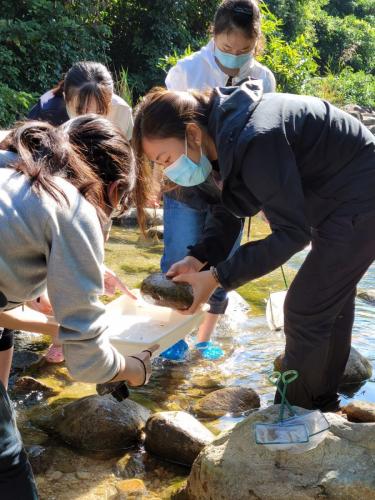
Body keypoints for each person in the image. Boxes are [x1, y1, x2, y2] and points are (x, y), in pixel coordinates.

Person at [132, 80, 375, 412]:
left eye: (166, 158)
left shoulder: (255, 138)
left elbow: (292, 234)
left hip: (359, 197)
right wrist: (198, 258)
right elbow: (228, 208)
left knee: (304, 309)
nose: (168, 170)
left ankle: (294, 413)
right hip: (335, 200)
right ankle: (322, 404)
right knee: (328, 300)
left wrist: (218, 277)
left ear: (192, 133)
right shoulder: (221, 137)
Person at [0, 116, 157, 498]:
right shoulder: (71, 204)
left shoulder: (12, 163)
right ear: (115, 189)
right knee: (8, 468)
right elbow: (87, 364)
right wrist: (135, 370)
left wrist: (61, 309)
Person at [159, 0, 276, 361]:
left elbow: (263, 138)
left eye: (244, 50)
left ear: (255, 44)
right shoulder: (186, 72)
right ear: (213, 36)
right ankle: (174, 334)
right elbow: (163, 131)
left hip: (233, 186)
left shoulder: (264, 78)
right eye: (227, 49)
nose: (235, 57)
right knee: (181, 256)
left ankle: (205, 338)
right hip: (188, 181)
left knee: (222, 260)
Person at [28, 60, 134, 362]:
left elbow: (123, 163)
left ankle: (80, 320)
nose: (90, 117)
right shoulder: (47, 113)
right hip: (57, 188)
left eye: (99, 110)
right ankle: (57, 326)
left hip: (102, 190)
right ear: (66, 100)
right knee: (55, 253)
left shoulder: (122, 112)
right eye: (81, 109)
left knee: (93, 255)